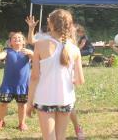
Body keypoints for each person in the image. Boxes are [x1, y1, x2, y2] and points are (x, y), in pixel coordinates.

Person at [27, 9, 85, 140]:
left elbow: (34, 77)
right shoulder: (75, 49)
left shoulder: (40, 44)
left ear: (51, 24)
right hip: (66, 98)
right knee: (61, 137)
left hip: (45, 98)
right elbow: (80, 80)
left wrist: (29, 102)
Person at [0, 32, 33, 131]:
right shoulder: (7, 51)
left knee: (22, 104)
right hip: (8, 84)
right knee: (3, 103)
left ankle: (22, 123)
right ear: (10, 43)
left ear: (24, 41)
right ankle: (0, 121)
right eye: (14, 38)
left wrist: (31, 53)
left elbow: (37, 59)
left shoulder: (27, 52)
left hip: (22, 85)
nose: (17, 39)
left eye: (19, 37)